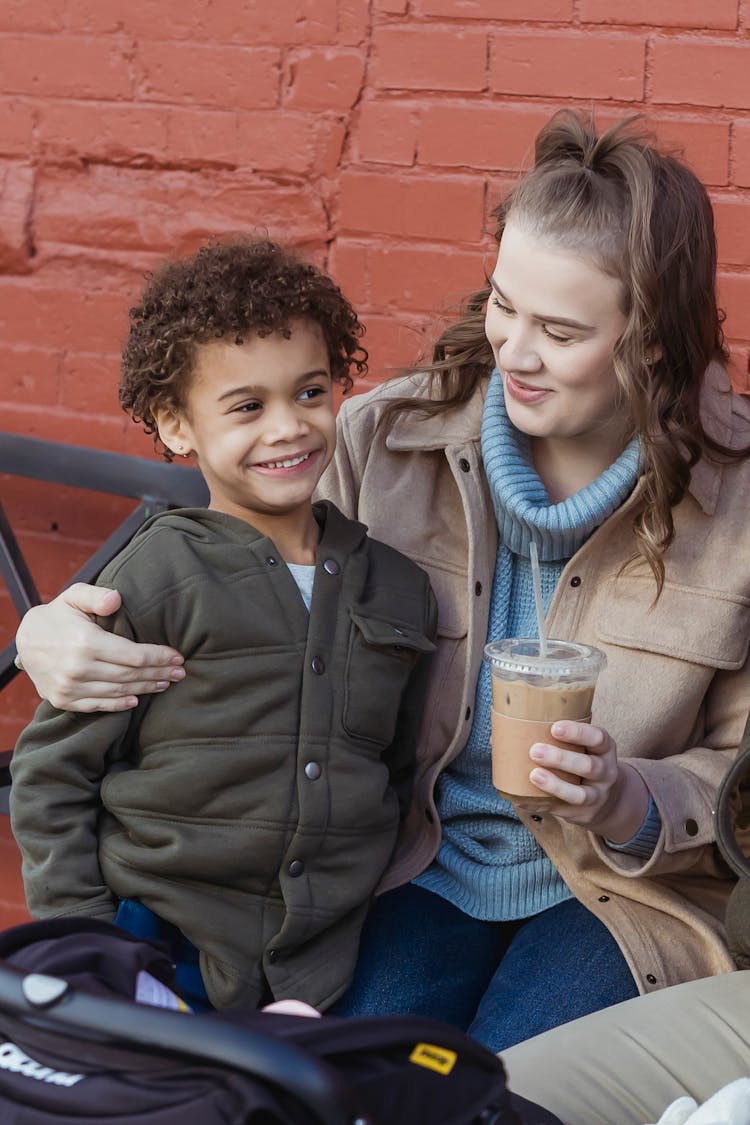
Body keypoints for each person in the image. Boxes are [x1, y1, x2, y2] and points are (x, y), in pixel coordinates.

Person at [14, 111, 750, 1051]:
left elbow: (737, 772)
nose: (514, 352)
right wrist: (47, 633)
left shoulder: (734, 502)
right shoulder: (387, 439)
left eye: (560, 330)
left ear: (650, 339)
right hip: (419, 866)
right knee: (352, 1086)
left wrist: (629, 795)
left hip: (616, 893)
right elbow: (255, 574)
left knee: (510, 1092)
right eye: (502, 304)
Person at [9, 238, 437, 1013]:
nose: (289, 427)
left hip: (325, 970)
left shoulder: (398, 591)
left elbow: (392, 774)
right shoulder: (157, 576)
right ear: (177, 425)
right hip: (154, 953)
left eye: (310, 392)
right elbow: (51, 777)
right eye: (247, 405)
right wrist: (92, 954)